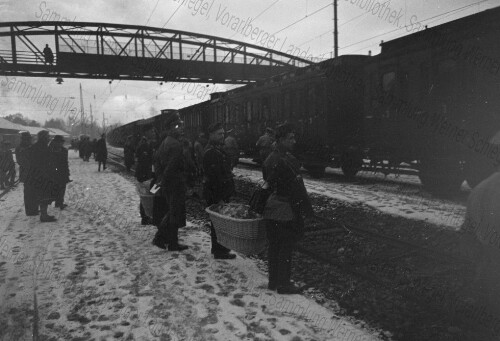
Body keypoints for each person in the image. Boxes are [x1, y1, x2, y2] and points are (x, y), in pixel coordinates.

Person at [263, 123, 313, 294]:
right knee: (285, 245)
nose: (294, 141)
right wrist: (306, 209)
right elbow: (297, 188)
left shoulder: (270, 158)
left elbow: (267, 181)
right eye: (290, 138)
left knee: (274, 245)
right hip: (285, 208)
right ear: (281, 139)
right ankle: (284, 284)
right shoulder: (287, 160)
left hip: (271, 206)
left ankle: (273, 281)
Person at [152, 112, 188, 251]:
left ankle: (168, 241)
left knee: (172, 212)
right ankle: (164, 240)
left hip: (168, 184)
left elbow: (157, 163)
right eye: (178, 126)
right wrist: (165, 181)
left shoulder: (165, 142)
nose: (181, 128)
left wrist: (161, 181)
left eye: (181, 125)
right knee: (174, 213)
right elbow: (171, 167)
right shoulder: (176, 145)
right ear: (171, 128)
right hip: (175, 184)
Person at [203, 122, 237, 260]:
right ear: (211, 135)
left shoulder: (216, 149)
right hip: (217, 193)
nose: (222, 136)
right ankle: (220, 251)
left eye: (223, 133)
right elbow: (214, 178)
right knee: (219, 223)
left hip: (221, 192)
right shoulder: (211, 152)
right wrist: (219, 197)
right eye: (219, 134)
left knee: (218, 222)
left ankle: (218, 249)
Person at [25, 130, 57, 222]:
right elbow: (45, 162)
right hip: (43, 174)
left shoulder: (35, 146)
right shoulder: (43, 147)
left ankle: (44, 214)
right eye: (48, 136)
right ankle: (44, 215)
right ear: (44, 137)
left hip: (36, 174)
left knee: (42, 195)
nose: (49, 138)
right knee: (44, 195)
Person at [16, 132, 35, 215]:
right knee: (28, 192)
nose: (29, 140)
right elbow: (20, 161)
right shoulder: (20, 148)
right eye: (28, 138)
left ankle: (33, 209)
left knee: (33, 191)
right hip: (26, 173)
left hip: (33, 172)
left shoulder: (31, 147)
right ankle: (29, 211)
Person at [49, 135, 70, 209]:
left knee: (62, 188)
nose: (60, 143)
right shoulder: (50, 150)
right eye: (58, 142)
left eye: (61, 142)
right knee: (54, 187)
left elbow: (65, 162)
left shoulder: (64, 150)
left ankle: (59, 202)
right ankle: (53, 201)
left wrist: (67, 173)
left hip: (62, 171)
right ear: (55, 142)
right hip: (53, 172)